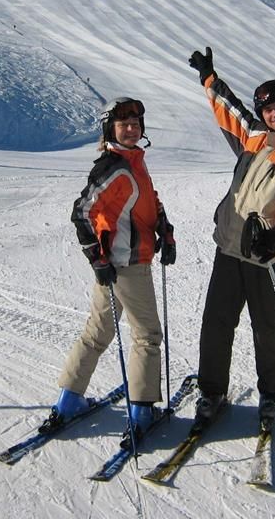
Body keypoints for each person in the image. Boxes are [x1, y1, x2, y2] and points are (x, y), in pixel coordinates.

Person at [187, 46, 275, 427]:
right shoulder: (254, 137)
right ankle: (212, 392)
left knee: (267, 329)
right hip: (230, 247)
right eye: (267, 110)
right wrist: (209, 78)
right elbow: (229, 109)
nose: (274, 114)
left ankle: (270, 396)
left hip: (269, 255)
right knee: (216, 323)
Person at [42, 97, 176, 447]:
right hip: (127, 265)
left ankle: (68, 401)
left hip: (115, 266)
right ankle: (141, 412)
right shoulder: (115, 167)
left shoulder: (131, 161)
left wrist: (164, 228)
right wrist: (97, 258)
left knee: (98, 333)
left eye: (135, 124)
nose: (131, 129)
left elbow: (148, 200)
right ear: (110, 129)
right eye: (123, 124)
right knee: (147, 336)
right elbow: (82, 212)